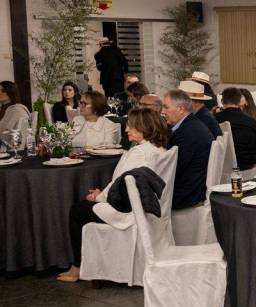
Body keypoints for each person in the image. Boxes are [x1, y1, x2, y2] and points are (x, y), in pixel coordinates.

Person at [58, 107, 169, 283]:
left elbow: (123, 183)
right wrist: (102, 194)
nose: (126, 129)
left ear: (143, 128)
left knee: (77, 211)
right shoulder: (158, 149)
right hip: (147, 206)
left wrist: (99, 197)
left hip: (130, 212)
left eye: (131, 126)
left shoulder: (138, 153)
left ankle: (76, 268)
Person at [162, 89, 214, 210]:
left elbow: (173, 170)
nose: (163, 111)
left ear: (181, 109)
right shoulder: (191, 124)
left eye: (166, 107)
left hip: (185, 195)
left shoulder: (187, 133)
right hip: (194, 188)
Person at [216, 87, 256, 171]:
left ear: (222, 101)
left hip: (223, 167)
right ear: (240, 101)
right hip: (247, 167)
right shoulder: (251, 122)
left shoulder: (215, 119)